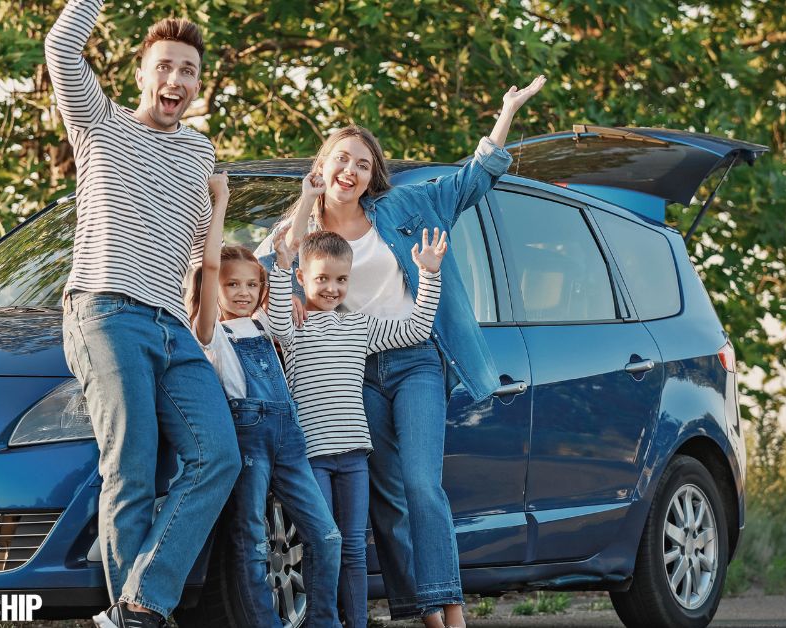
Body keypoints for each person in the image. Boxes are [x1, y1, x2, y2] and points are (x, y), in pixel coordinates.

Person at [259, 75, 546, 628]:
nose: (351, 171)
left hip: (414, 358)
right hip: (351, 374)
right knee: (386, 499)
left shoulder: (401, 207)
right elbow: (261, 271)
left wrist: (505, 115)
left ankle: (451, 607)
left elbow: (469, 183)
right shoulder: (297, 229)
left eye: (362, 165)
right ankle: (422, 612)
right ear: (322, 167)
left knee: (420, 482)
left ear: (372, 177)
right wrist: (292, 269)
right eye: (342, 160)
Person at [45, 3, 241, 627]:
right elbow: (60, 48)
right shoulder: (98, 124)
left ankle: (138, 606)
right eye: (165, 67)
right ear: (141, 74)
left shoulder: (198, 154)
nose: (176, 81)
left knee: (220, 456)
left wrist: (221, 210)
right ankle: (139, 617)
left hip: (171, 325)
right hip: (104, 309)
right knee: (130, 461)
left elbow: (197, 259)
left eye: (189, 71)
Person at [267, 206, 448, 628]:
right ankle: (323, 621)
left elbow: (416, 329)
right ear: (302, 278)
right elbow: (275, 313)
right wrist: (279, 264)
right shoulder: (295, 326)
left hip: (353, 458)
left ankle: (357, 622)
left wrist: (430, 275)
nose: (331, 288)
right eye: (322, 278)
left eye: (341, 280)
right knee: (321, 543)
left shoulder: (360, 326)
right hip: (311, 458)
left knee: (352, 547)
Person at [186, 173, 342, 628]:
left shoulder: (263, 325)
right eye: (232, 285)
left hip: (289, 438)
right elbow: (210, 263)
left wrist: (309, 197)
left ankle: (324, 622)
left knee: (326, 536)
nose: (242, 292)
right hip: (248, 439)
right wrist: (221, 201)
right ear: (216, 289)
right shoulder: (209, 334)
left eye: (251, 286)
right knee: (251, 539)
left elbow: (284, 252)